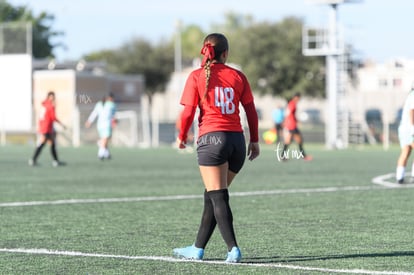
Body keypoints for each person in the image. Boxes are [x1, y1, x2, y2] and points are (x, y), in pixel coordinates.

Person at [173, 33, 260, 263]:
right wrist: (255, 140)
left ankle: (233, 249)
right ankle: (197, 248)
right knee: (212, 195)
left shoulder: (196, 76)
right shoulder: (238, 76)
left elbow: (187, 114)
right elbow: (251, 111)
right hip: (237, 143)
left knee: (218, 196)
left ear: (204, 51)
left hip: (212, 141)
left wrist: (181, 137)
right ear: (225, 54)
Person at [29, 91, 66, 167]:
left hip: (44, 127)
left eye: (53, 97)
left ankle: (55, 161)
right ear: (48, 97)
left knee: (50, 144)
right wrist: (62, 124)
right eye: (51, 97)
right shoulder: (50, 106)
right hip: (46, 128)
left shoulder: (44, 105)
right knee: (44, 144)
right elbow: (53, 117)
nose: (53, 98)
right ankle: (34, 160)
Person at [85, 93, 117, 160]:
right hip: (106, 124)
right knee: (105, 139)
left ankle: (106, 154)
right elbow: (113, 116)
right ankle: (100, 154)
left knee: (105, 139)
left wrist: (89, 121)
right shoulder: (112, 105)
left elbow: (94, 113)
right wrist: (114, 122)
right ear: (110, 98)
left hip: (100, 125)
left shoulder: (99, 104)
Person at [281, 93, 312, 161]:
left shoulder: (291, 104)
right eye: (299, 98)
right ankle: (303, 156)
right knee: (299, 140)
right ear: (295, 97)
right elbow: (288, 113)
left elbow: (290, 114)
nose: (299, 100)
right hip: (291, 125)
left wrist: (296, 120)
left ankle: (283, 155)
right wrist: (285, 122)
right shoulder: (292, 104)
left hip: (291, 125)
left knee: (289, 141)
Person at [395, 87, 414, 183]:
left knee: (406, 151)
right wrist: (413, 127)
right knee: (407, 151)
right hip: (410, 128)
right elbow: (412, 111)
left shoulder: (410, 96)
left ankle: (399, 177)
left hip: (403, 129)